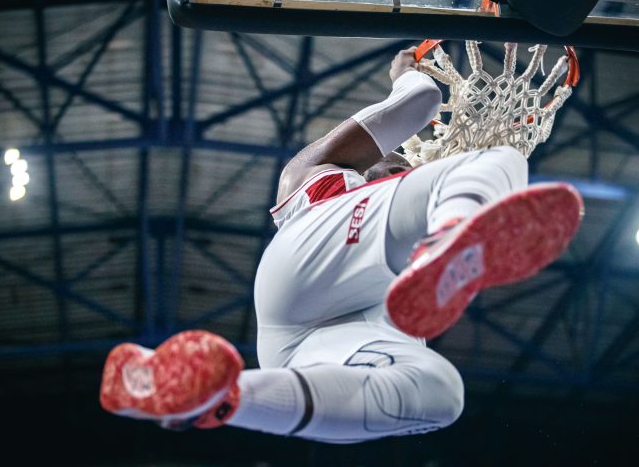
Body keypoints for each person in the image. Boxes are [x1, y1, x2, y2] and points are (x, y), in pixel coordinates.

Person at [99, 46, 582, 443]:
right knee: (499, 162)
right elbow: (418, 108)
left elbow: (419, 104)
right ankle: (452, 235)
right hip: (314, 259)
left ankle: (212, 402)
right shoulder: (316, 174)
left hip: (302, 346)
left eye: (407, 169)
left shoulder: (388, 204)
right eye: (399, 164)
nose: (403, 168)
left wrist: (410, 74)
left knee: (442, 393)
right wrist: (405, 75)